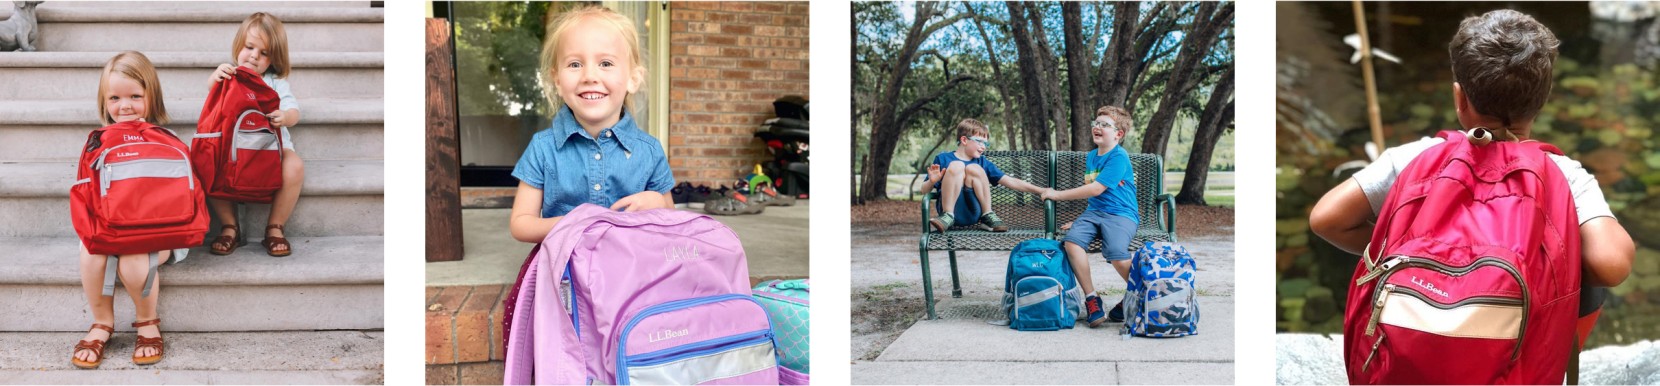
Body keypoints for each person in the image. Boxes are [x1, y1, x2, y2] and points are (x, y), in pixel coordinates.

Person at [1308, 9, 1634, 349]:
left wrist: (1401, 249)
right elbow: (1611, 266)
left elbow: (1327, 219)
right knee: (1579, 266)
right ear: (1541, 102)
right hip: (1513, 357)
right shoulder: (1563, 174)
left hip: (1416, 351)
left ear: (1459, 98)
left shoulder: (1415, 158)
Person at [73, 51, 174, 369]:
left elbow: (176, 201)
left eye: (135, 96)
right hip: (111, 224)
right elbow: (86, 194)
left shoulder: (165, 141)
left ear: (151, 96)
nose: (125, 106)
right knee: (90, 250)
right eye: (114, 98)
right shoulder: (99, 142)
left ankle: (147, 321)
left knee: (133, 258)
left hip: (159, 230)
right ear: (104, 101)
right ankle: (102, 322)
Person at [206, 12, 305, 257]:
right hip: (232, 148)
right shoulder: (230, 75)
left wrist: (285, 116)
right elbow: (212, 95)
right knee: (208, 163)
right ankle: (229, 226)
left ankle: (274, 227)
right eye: (250, 47)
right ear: (239, 46)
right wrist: (215, 77)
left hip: (272, 150)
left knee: (294, 166)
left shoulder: (275, 82)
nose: (254, 56)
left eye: (264, 53)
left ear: (273, 59)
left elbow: (294, 111)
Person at [1042, 106, 1141, 328]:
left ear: (1118, 134)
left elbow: (1096, 189)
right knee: (1072, 242)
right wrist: (1080, 220)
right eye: (1096, 123)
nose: (1097, 127)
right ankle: (1092, 298)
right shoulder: (1091, 156)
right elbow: (1096, 199)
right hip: (1094, 214)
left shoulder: (1119, 157)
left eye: (1105, 125)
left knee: (1116, 253)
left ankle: (1139, 294)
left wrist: (1056, 195)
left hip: (1121, 215)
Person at [922, 118, 1049, 233]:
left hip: (974, 212)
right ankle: (948, 215)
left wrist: (1041, 190)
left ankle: (987, 215)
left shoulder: (982, 162)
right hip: (948, 214)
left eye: (986, 144)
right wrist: (932, 181)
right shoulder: (943, 159)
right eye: (980, 142)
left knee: (974, 168)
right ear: (964, 140)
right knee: (957, 165)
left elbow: (1010, 181)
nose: (984, 147)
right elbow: (924, 190)